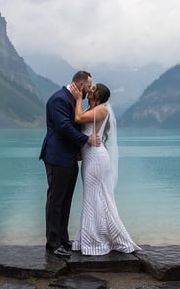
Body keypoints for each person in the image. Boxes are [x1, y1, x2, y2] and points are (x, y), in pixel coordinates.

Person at [69, 82, 141, 255]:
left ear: (99, 95)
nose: (89, 90)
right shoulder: (91, 108)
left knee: (99, 197)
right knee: (92, 198)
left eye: (92, 89)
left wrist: (78, 99)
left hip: (96, 158)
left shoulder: (102, 109)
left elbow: (78, 118)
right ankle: (89, 236)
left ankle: (101, 238)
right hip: (89, 157)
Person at [39, 70, 100, 258]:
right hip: (57, 157)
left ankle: (63, 239)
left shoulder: (73, 100)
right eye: (89, 86)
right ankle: (53, 243)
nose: (91, 90)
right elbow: (64, 127)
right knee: (56, 201)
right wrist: (86, 140)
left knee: (66, 201)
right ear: (80, 85)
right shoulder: (58, 99)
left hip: (70, 157)